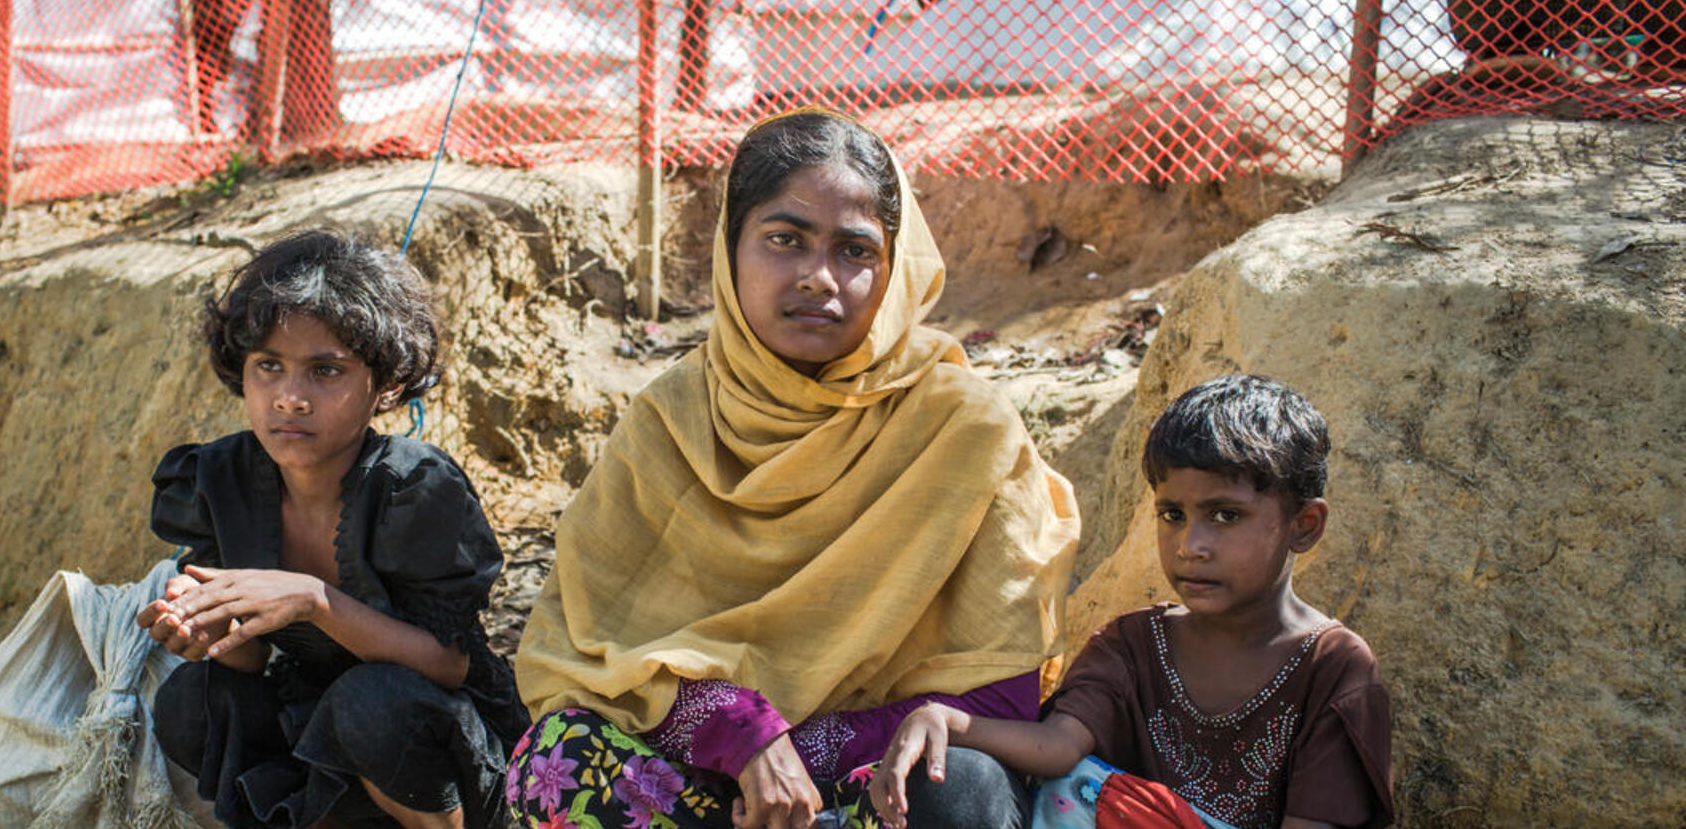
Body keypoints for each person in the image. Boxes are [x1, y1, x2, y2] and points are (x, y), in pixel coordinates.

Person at [508, 108, 1080, 829]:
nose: (818, 277)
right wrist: (742, 731)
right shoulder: (672, 421)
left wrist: (805, 750)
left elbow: (1000, 695)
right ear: (731, 248)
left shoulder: (965, 430)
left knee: (961, 784)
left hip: (867, 791)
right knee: (557, 758)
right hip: (703, 786)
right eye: (785, 239)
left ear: (894, 266)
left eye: (855, 250)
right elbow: (584, 655)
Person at [869, 375, 1393, 829]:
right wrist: (946, 720)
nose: (1190, 545)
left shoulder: (1333, 669)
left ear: (1305, 525)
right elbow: (1058, 748)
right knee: (954, 775)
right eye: (1172, 515)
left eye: (1226, 516)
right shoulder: (1132, 644)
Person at [136, 230, 529, 829]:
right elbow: (250, 659)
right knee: (193, 701)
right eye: (269, 366)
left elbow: (451, 665)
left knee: (370, 702)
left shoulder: (414, 488)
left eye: (325, 370)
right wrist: (208, 625)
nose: (290, 398)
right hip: (320, 723)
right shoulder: (220, 478)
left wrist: (314, 600)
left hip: (444, 741)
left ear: (387, 384)